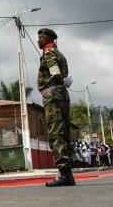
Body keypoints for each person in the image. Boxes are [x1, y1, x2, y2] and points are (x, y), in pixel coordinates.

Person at [36, 27, 74, 187]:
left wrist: (58, 80)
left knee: (56, 133)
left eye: (40, 37)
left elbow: (55, 72)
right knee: (62, 132)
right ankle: (67, 174)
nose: (38, 40)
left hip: (53, 95)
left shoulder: (49, 52)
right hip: (60, 94)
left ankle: (64, 174)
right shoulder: (59, 53)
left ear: (48, 38)